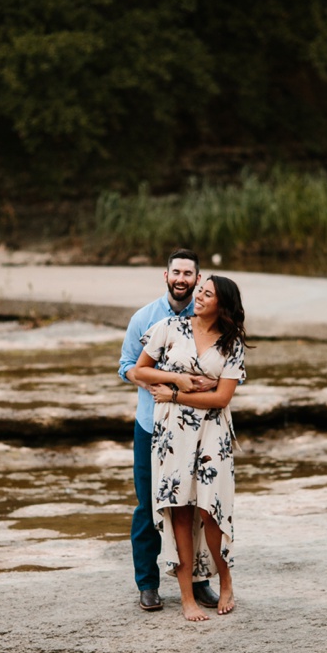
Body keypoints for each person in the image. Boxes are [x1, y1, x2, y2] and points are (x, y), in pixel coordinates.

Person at [127, 275, 247, 622]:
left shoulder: (230, 344)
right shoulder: (169, 327)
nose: (199, 296)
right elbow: (139, 371)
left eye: (208, 294)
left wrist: (178, 395)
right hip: (173, 434)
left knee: (211, 510)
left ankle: (225, 582)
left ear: (221, 305)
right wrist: (176, 379)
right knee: (178, 509)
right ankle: (186, 598)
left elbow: (222, 398)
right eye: (201, 291)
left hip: (213, 434)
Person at [118, 249, 219, 613]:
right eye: (175, 272)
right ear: (166, 276)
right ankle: (148, 585)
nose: (181, 279)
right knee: (148, 506)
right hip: (151, 426)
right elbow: (127, 366)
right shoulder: (144, 318)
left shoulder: (207, 317)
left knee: (194, 506)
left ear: (197, 278)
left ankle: (200, 582)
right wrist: (162, 380)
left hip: (196, 429)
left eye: (188, 274)